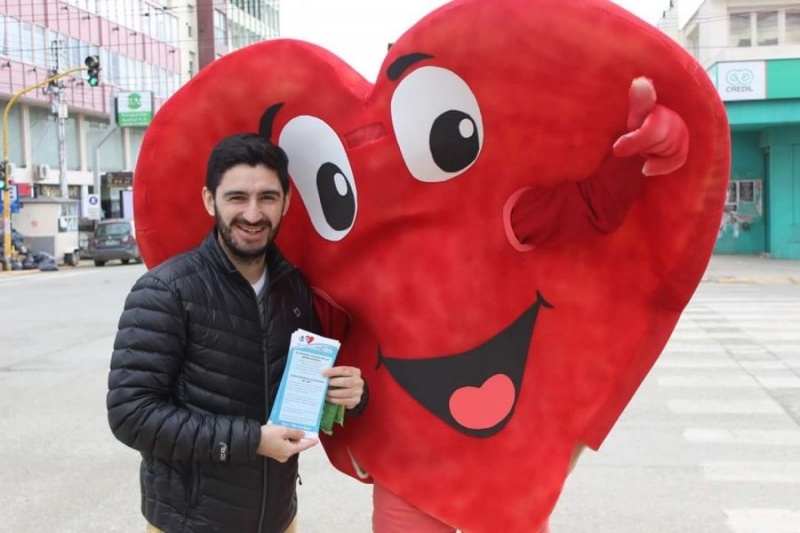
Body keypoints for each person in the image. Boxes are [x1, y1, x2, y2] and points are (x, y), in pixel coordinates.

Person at [107, 133, 367, 533]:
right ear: (210, 201)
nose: (252, 213)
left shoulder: (295, 288)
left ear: (286, 202)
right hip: (190, 523)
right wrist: (252, 441)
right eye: (236, 198)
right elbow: (132, 415)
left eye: (267, 197)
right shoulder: (166, 290)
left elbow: (297, 391)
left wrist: (346, 394)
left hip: (279, 518)